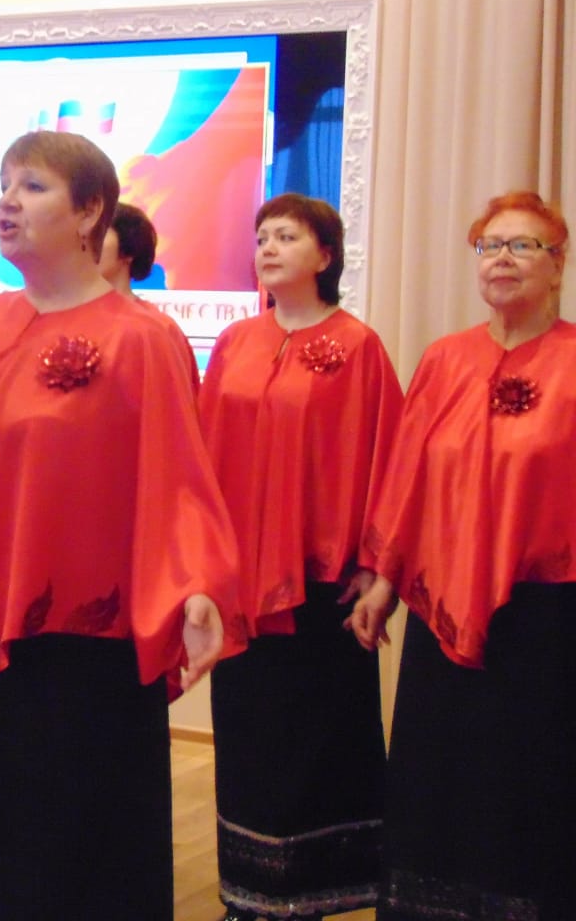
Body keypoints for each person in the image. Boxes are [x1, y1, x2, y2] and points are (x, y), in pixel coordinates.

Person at [0, 130, 240, 919]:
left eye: (33, 186)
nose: (7, 200)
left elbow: (179, 479)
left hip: (79, 651)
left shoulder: (142, 337)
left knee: (69, 859)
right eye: (4, 183)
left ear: (90, 211)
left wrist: (198, 584)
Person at [350, 191, 574, 920]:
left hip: (543, 612)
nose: (502, 258)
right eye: (490, 246)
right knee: (439, 771)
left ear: (557, 265)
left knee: (530, 774)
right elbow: (406, 475)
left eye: (523, 245)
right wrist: (382, 581)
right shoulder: (446, 358)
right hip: (439, 604)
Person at [198, 193, 402, 921]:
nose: (268, 247)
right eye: (262, 236)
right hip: (240, 579)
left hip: (323, 584)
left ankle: (323, 890)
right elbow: (203, 451)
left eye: (286, 236)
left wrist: (376, 563)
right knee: (247, 735)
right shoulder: (234, 343)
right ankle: (247, 892)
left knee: (318, 737)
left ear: (326, 255)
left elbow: (390, 458)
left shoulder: (358, 346)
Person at [98, 200, 200, 390]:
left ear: (128, 251)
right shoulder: (63, 317)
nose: (85, 245)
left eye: (99, 235)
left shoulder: (158, 328)